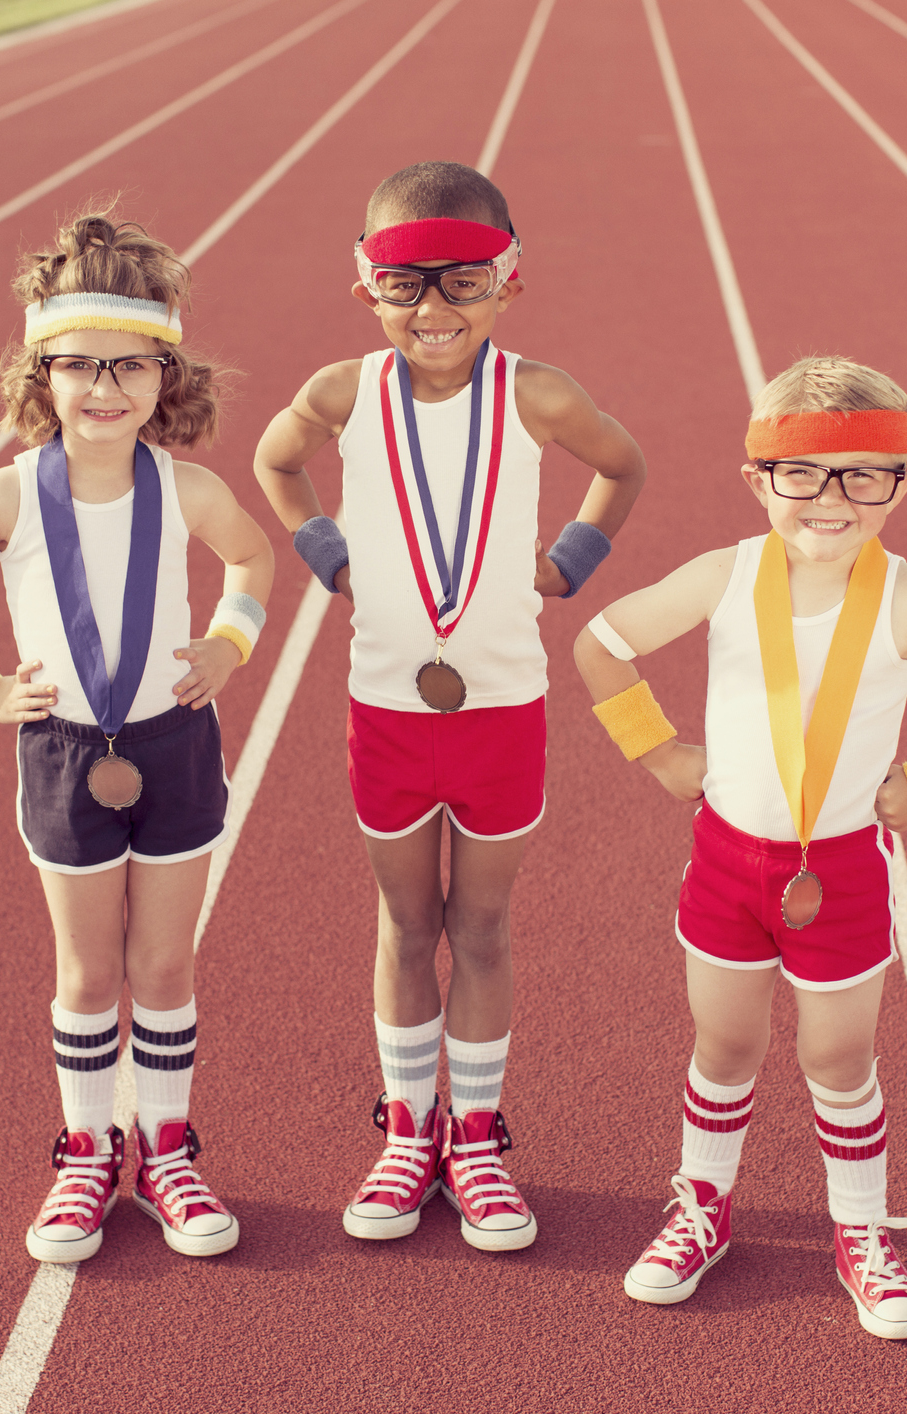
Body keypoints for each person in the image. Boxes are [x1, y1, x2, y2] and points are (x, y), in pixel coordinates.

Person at [574, 356, 907, 1337]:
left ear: (900, 485)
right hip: (727, 858)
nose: (832, 500)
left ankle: (862, 1232)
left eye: (864, 475)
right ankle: (702, 1208)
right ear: (758, 478)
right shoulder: (726, 575)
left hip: (837, 870)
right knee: (727, 1040)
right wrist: (657, 749)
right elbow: (601, 645)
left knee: (838, 1054)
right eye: (804, 474)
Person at [254, 161, 646, 1251]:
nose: (432, 309)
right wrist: (323, 548)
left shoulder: (537, 393)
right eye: (404, 283)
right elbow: (276, 460)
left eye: (463, 280)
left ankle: (473, 1136)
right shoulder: (343, 393)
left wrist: (569, 560)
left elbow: (622, 464)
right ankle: (407, 1130)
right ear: (364, 284)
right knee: (404, 921)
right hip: (386, 708)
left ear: (510, 280)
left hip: (502, 710)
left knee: (478, 924)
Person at [0, 211, 273, 1265]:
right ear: (40, 374)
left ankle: (170, 1150)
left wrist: (231, 645)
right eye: (81, 366)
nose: (106, 389)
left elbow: (252, 560)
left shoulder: (187, 488)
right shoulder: (9, 496)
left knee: (166, 961)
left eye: (131, 367)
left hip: (176, 745)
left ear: (166, 376)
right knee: (91, 973)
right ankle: (89, 1150)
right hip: (63, 756)